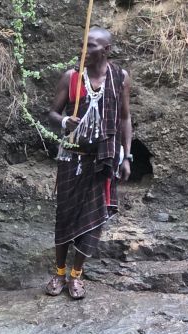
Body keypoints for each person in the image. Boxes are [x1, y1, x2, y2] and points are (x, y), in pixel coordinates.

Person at [45, 27, 133, 300]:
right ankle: (59, 272)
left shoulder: (120, 78)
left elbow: (124, 118)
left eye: (92, 46)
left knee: (94, 220)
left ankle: (76, 276)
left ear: (106, 50)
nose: (86, 50)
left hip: (103, 160)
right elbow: (51, 112)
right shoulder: (71, 77)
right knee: (65, 215)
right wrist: (63, 122)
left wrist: (127, 156)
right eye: (84, 45)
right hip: (73, 158)